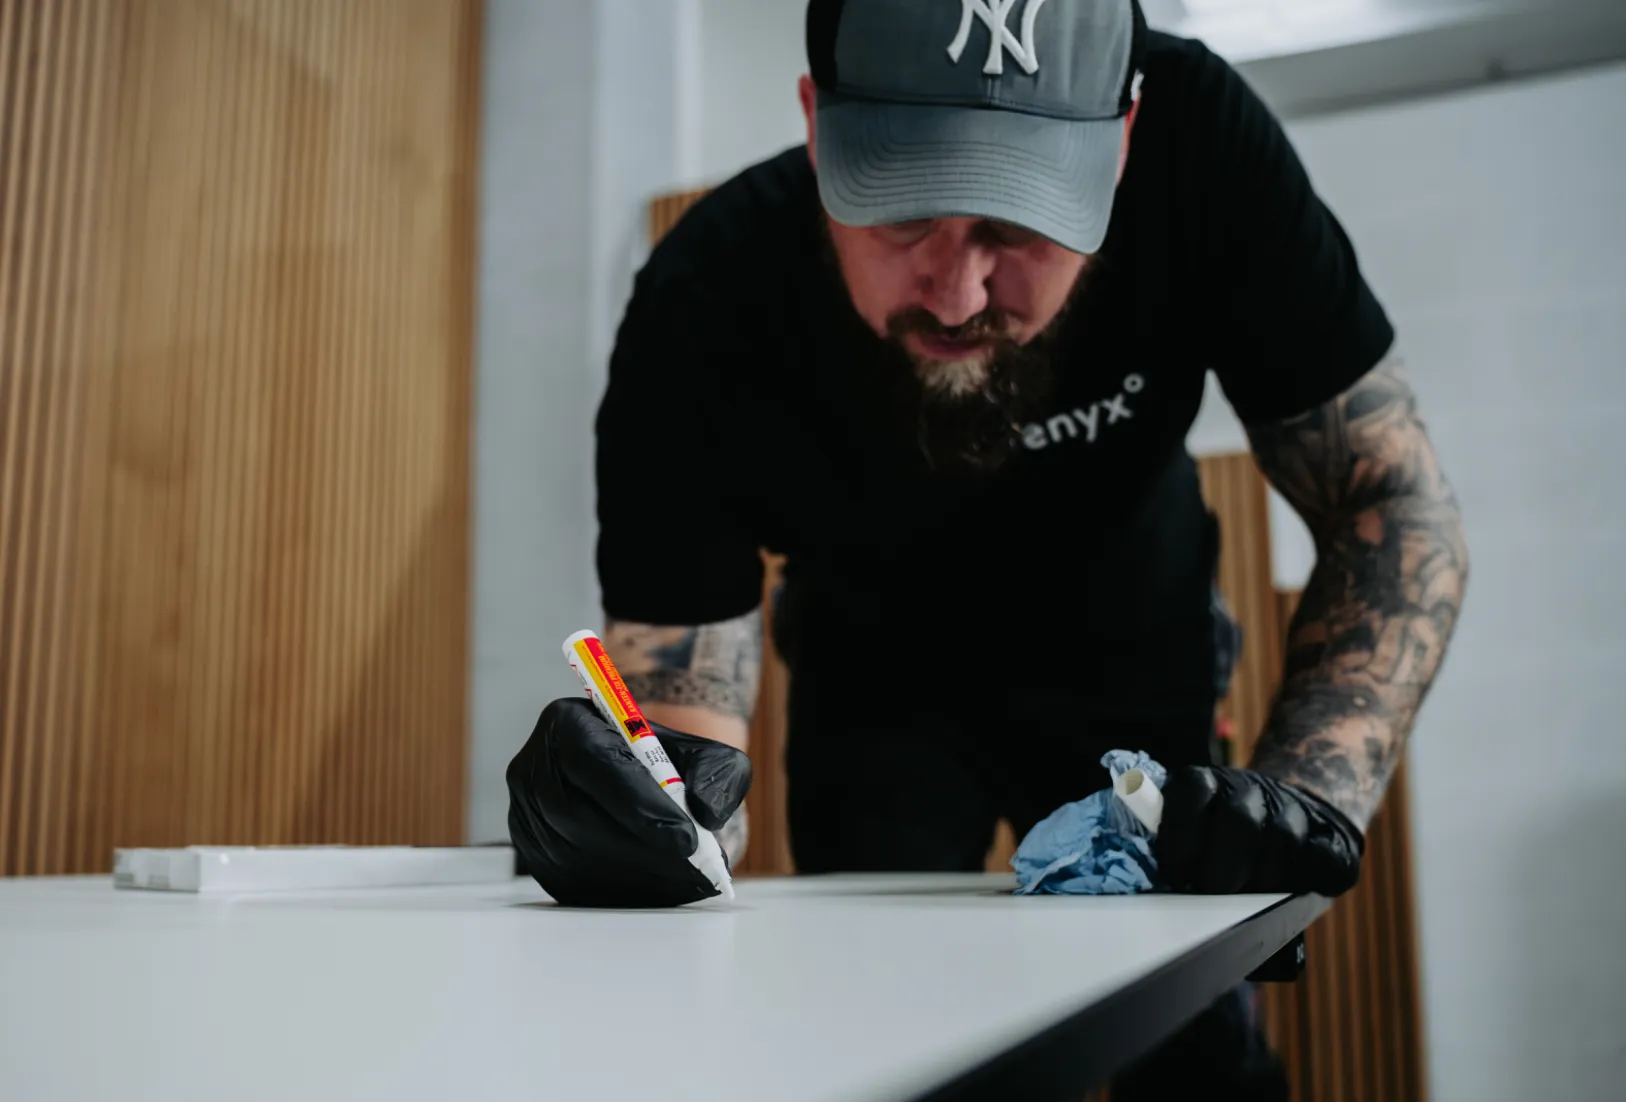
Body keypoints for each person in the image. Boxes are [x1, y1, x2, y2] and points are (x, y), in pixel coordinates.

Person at [506, 0, 1471, 1097]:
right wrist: (632, 821)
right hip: (872, 686)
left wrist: (1312, 789)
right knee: (884, 1038)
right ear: (817, 124)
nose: (958, 292)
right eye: (900, 216)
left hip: (1135, 653)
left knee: (1192, 1049)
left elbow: (1388, 498)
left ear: (1120, 139)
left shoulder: (1200, 142)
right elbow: (681, 751)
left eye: (1018, 223)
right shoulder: (706, 303)